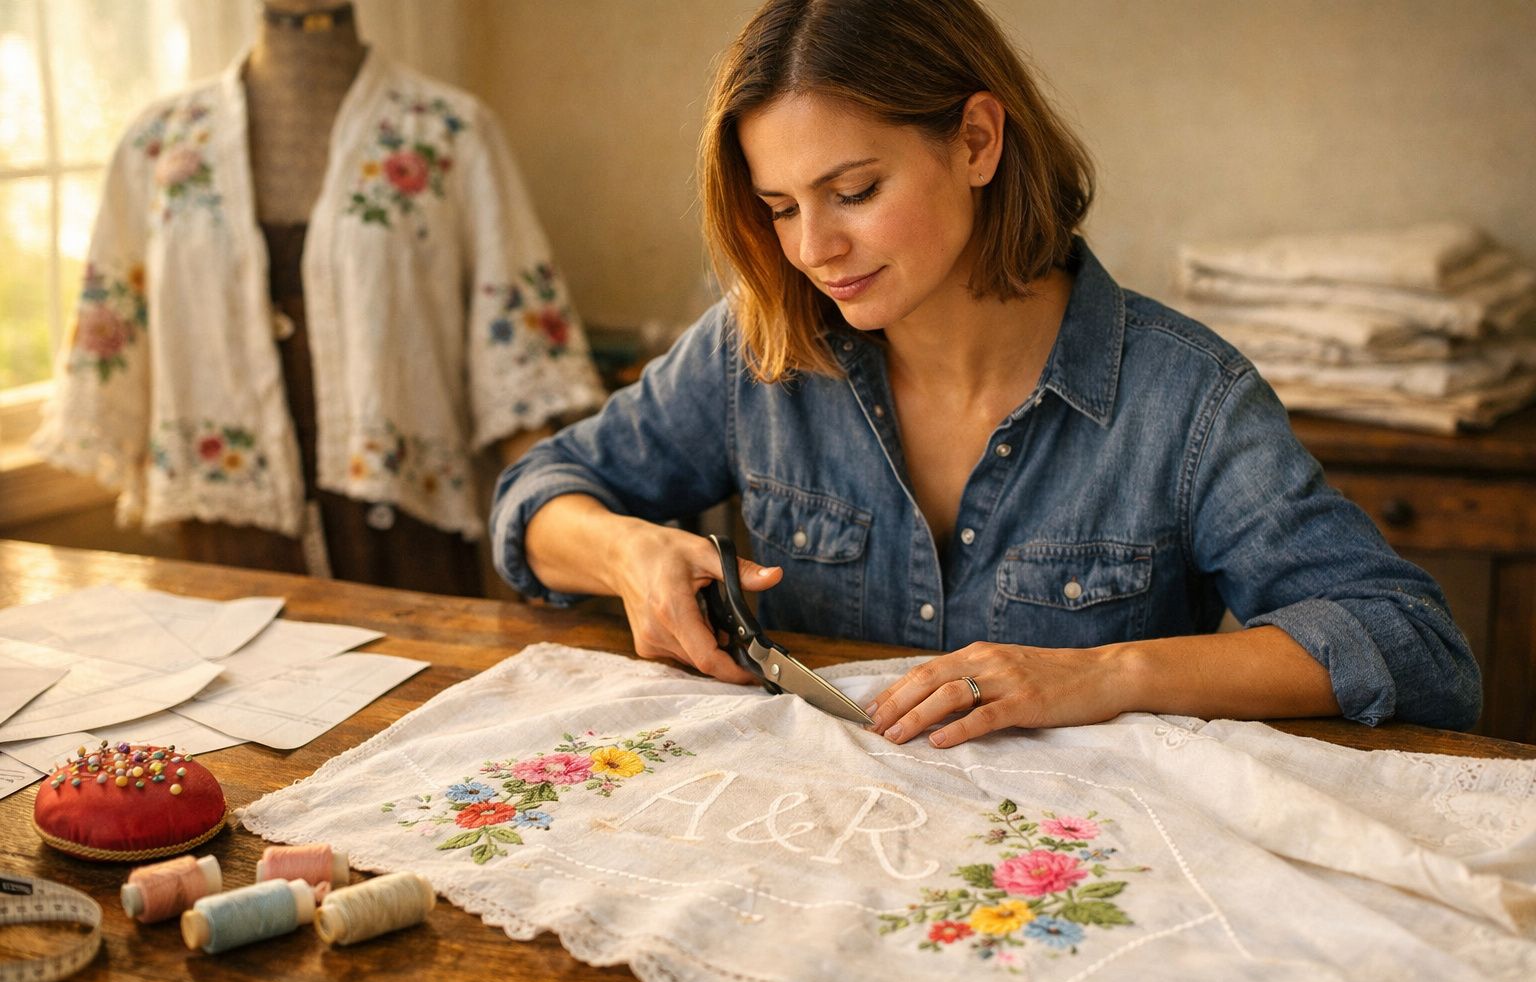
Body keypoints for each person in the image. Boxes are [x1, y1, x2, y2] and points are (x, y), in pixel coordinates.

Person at [491, 0, 1479, 746]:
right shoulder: (758, 348)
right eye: (782, 207)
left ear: (976, 140)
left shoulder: (1185, 401)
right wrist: (626, 555)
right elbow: (536, 498)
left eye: (854, 190)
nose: (815, 249)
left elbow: (1411, 643)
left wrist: (1103, 674)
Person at [34, 0, 604, 596]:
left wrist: (565, 523)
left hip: (404, 536)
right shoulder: (155, 144)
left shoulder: (450, 134)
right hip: (228, 538)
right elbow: (114, 350)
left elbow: (519, 363)